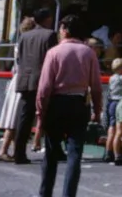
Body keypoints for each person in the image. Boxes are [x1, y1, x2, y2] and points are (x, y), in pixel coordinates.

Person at [34, 14, 103, 197]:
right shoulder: (89, 53)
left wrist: (41, 113)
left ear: (64, 30)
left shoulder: (54, 53)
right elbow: (96, 86)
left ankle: (45, 192)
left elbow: (44, 88)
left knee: (50, 153)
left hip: (56, 103)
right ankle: (69, 194)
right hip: (79, 104)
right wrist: (98, 111)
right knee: (75, 153)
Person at [12, 8, 57, 166]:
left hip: (25, 80)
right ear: (46, 19)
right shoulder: (50, 35)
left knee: (24, 118)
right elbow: (52, 58)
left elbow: (20, 57)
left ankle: (19, 152)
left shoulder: (24, 36)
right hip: (42, 79)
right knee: (48, 115)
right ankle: (53, 150)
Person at [0, 16, 36, 163]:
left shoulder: (19, 43)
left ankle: (10, 150)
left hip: (16, 79)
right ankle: (4, 150)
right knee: (15, 118)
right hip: (21, 80)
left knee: (14, 117)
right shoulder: (25, 44)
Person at [102, 57, 122, 163]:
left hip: (112, 102)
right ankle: (118, 153)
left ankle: (108, 152)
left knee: (111, 129)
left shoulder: (112, 78)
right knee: (119, 129)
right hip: (120, 103)